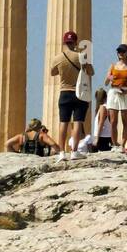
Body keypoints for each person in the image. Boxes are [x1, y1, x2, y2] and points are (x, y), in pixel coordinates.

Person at [50, 30, 94, 161]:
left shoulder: (57, 58)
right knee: (78, 122)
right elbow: (91, 72)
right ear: (75, 42)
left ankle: (62, 152)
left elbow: (53, 72)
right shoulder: (81, 56)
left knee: (63, 122)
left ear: (64, 42)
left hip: (64, 93)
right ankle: (74, 151)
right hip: (79, 93)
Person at [104, 44, 127, 154]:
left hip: (125, 93)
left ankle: (122, 145)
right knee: (113, 121)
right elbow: (106, 83)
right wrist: (108, 78)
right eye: (119, 52)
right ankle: (114, 145)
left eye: (122, 51)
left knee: (125, 120)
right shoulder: (113, 65)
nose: (120, 54)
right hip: (113, 92)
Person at [93, 87, 114, 152]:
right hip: (103, 137)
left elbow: (101, 123)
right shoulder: (102, 107)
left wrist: (96, 138)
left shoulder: (103, 107)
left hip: (103, 137)